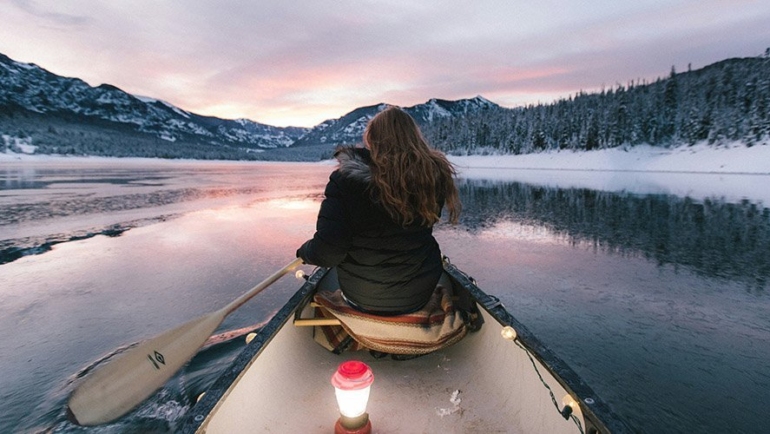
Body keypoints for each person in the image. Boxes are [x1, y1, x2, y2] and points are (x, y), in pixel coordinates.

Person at [296, 106, 461, 316]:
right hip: (419, 295)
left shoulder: (345, 181)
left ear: (371, 141)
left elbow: (329, 251)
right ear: (413, 138)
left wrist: (305, 252)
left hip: (362, 297)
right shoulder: (430, 178)